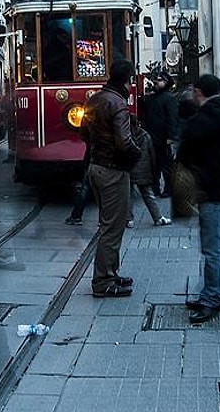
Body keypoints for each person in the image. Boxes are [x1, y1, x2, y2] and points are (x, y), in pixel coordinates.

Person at [177, 74, 220, 323]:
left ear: (198, 91)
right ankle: (216, 293)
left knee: (213, 246)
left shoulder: (209, 116)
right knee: (219, 245)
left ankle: (212, 297)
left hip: (214, 189)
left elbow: (187, 146)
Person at [80, 60, 141, 298]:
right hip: (113, 170)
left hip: (96, 166)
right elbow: (124, 142)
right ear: (127, 79)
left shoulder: (95, 99)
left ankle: (110, 272)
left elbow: (83, 132)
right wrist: (138, 155)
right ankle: (103, 280)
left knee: (109, 224)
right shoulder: (118, 104)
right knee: (112, 227)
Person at [139, 71, 179, 197]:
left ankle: (168, 189)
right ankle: (155, 188)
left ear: (166, 83)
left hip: (163, 138)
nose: (156, 82)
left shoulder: (169, 98)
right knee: (154, 165)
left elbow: (172, 119)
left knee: (166, 165)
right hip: (152, 137)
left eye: (159, 80)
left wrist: (170, 137)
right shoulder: (151, 98)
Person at [128, 115, 171, 226]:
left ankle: (129, 219)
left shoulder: (126, 136)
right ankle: (157, 217)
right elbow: (152, 155)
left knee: (129, 195)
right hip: (144, 170)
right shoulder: (145, 136)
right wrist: (154, 171)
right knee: (148, 194)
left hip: (129, 170)